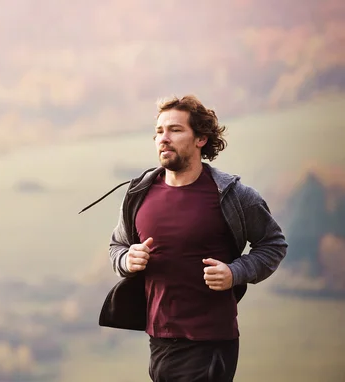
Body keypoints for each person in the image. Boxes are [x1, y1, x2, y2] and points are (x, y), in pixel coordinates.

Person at [79, 95, 288, 381]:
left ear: (201, 138)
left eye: (175, 130)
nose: (163, 138)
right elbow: (118, 247)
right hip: (159, 339)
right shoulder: (138, 194)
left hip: (210, 342)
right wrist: (128, 260)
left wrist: (234, 272)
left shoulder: (234, 196)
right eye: (159, 132)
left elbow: (273, 245)